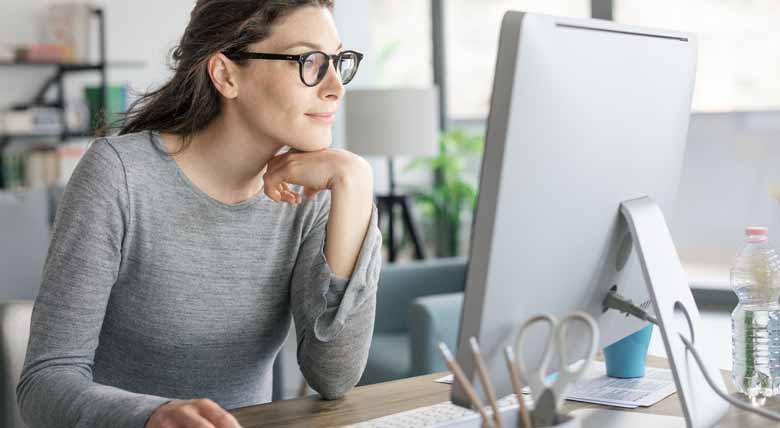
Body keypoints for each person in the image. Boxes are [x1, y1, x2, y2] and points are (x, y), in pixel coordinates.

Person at [16, 1, 382, 427]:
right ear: (226, 74)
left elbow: (334, 376)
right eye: (310, 61)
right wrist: (153, 416)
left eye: (338, 61)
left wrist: (355, 184)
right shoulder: (118, 176)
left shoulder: (311, 192)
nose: (336, 86)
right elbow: (44, 382)